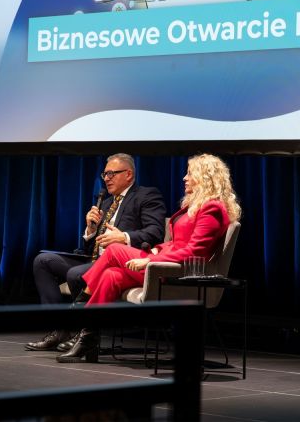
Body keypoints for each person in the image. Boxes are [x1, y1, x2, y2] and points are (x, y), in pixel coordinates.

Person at [57, 153, 242, 363]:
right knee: (111, 275)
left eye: (190, 173)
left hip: (179, 274)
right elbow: (177, 242)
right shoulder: (196, 207)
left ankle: (78, 308)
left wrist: (149, 261)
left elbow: (195, 251)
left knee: (115, 249)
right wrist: (157, 250)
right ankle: (88, 337)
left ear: (205, 177)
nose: (184, 178)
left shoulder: (212, 209)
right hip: (164, 263)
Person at [25, 153, 166, 352]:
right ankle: (58, 329)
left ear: (128, 174)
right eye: (105, 174)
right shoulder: (106, 203)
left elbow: (155, 232)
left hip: (120, 263)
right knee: (43, 260)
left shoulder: (146, 195)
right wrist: (90, 230)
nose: (107, 178)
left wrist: (124, 237)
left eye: (112, 174)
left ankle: (81, 332)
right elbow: (89, 248)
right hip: (93, 259)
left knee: (75, 274)